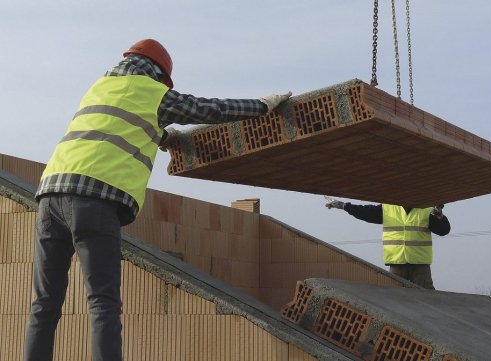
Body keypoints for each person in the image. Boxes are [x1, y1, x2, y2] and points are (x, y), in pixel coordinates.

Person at [24, 38, 291, 361]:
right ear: (160, 75)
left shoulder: (100, 87)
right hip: (95, 201)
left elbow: (113, 126)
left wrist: (162, 137)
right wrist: (261, 106)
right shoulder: (153, 93)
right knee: (103, 303)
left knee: (45, 304)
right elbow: (212, 109)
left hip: (50, 197)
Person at [325, 199, 450, 289]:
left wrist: (439, 215)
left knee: (426, 299)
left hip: (420, 266)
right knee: (394, 299)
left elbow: (443, 230)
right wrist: (344, 206)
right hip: (396, 264)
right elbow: (365, 212)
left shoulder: (427, 210)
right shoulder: (387, 208)